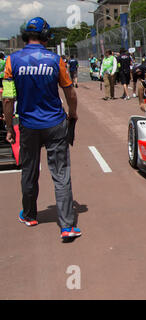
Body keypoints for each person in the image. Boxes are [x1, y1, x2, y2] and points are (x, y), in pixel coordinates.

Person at [2, 17, 81, 240]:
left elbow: (8, 99)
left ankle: (29, 215)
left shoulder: (11, 61)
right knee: (61, 173)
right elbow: (70, 93)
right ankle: (67, 226)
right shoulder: (56, 60)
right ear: (46, 37)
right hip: (55, 123)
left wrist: (9, 127)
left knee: (29, 170)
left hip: (28, 125)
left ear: (25, 35)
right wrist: (72, 114)